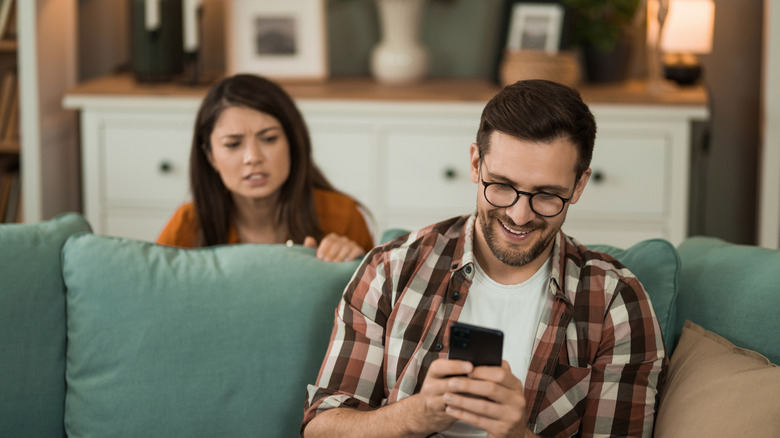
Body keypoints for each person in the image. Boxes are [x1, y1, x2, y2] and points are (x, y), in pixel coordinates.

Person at [302, 80, 667, 437]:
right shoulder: (391, 269)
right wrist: (417, 414)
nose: (519, 216)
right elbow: (321, 426)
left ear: (579, 185)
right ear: (476, 163)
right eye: (503, 185)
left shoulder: (615, 302)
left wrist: (516, 435)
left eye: (546, 195)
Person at [156, 74, 374, 262]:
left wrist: (352, 266)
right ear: (210, 156)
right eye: (233, 144)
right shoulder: (186, 226)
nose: (253, 157)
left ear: (293, 143)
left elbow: (376, 296)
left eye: (269, 139)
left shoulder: (343, 217)